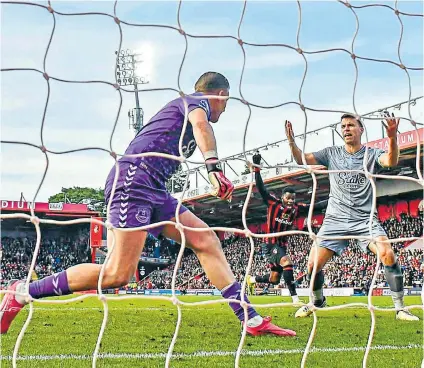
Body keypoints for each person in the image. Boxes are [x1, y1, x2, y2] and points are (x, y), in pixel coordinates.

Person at [1, 72, 296, 337]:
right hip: (132, 182)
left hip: (153, 189)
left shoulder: (189, 107)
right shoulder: (196, 103)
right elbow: (201, 126)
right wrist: (213, 167)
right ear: (221, 95)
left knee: (205, 239)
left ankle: (250, 318)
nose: (224, 109)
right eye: (226, 103)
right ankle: (22, 292)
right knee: (118, 274)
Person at [285, 113, 418, 321]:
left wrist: (392, 137)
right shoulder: (331, 154)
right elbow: (302, 159)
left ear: (361, 129)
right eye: (343, 126)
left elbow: (390, 161)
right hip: (334, 220)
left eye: (350, 125)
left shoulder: (371, 154)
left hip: (364, 219)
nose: (346, 129)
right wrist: (292, 143)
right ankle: (317, 302)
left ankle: (400, 308)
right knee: (312, 265)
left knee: (387, 253)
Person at [247, 152, 326, 304]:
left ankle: (253, 279)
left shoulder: (297, 208)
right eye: (288, 198)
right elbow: (262, 189)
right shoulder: (273, 203)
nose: (290, 201)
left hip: (282, 245)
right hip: (270, 244)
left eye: (293, 198)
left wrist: (332, 200)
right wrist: (257, 169)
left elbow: (314, 207)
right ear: (282, 197)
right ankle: (295, 299)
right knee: (287, 263)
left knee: (274, 279)